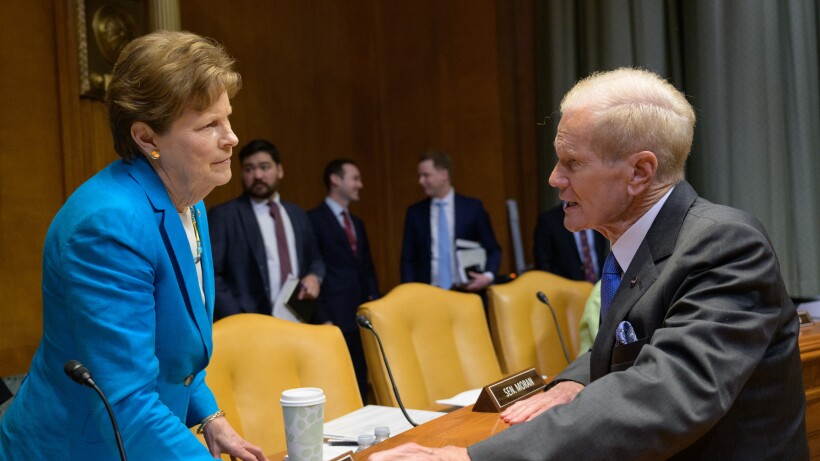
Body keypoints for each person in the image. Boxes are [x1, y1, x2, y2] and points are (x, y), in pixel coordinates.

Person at [369, 68, 808, 460]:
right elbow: (632, 339)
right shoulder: (636, 240)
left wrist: (470, 460)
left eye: (572, 163)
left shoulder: (724, 242)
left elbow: (665, 395)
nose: (554, 178)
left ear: (639, 172)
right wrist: (575, 380)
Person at [0, 31, 267, 460]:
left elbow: (174, 346)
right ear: (147, 138)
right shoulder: (109, 227)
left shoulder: (189, 201)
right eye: (209, 126)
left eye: (228, 118)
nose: (232, 137)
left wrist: (211, 419)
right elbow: (125, 402)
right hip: (78, 448)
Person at [209, 139, 325, 322]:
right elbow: (211, 274)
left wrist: (314, 277)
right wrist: (239, 319)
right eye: (249, 169)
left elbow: (315, 259)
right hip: (250, 325)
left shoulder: (297, 214)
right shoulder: (224, 216)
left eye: (265, 167)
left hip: (299, 320)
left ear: (280, 170)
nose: (257, 175)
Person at [308, 159, 380, 401]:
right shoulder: (313, 220)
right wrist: (323, 317)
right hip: (333, 317)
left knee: (360, 379)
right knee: (336, 384)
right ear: (335, 179)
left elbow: (367, 268)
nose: (360, 184)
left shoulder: (357, 223)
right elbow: (313, 269)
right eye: (355, 178)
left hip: (359, 317)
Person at [400, 150, 501, 293]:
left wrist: (488, 276)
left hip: (467, 292)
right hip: (428, 295)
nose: (421, 181)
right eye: (420, 176)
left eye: (426, 175)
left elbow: (493, 249)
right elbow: (408, 259)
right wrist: (409, 292)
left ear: (444, 175)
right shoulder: (415, 213)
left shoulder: (472, 208)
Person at [533, 203, 607, 282]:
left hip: (600, 287)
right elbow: (543, 263)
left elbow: (601, 253)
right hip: (566, 289)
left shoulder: (597, 215)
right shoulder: (549, 220)